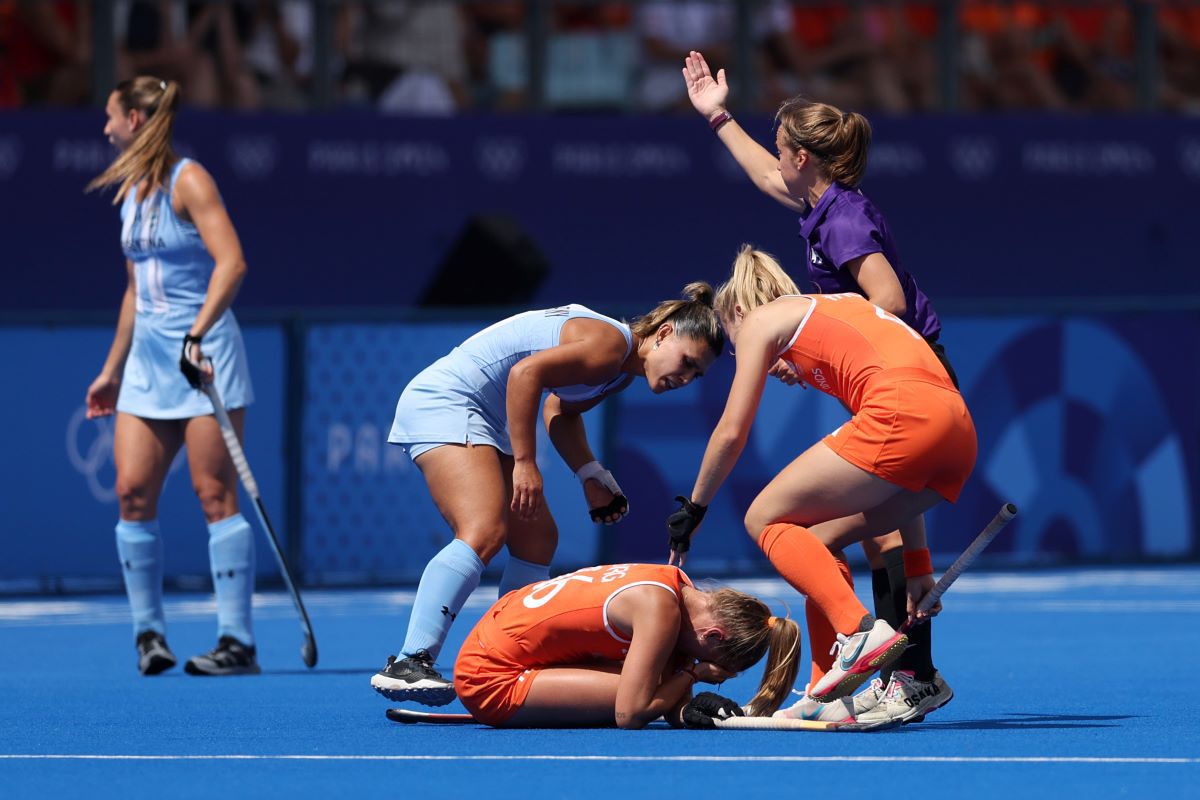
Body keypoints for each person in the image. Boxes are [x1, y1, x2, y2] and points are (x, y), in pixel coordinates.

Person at [683, 52, 958, 725]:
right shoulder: (819, 203)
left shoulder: (841, 219)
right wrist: (716, 116)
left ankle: (905, 670)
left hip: (905, 376)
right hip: (896, 380)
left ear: (804, 158)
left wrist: (820, 344)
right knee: (879, 533)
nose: (774, 161)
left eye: (781, 150)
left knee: (863, 531)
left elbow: (886, 298)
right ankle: (911, 673)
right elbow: (758, 173)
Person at [372, 287, 726, 705]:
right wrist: (525, 462)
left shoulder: (616, 371)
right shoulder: (610, 346)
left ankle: (510, 651)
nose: (685, 379)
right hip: (447, 401)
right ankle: (410, 662)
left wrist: (590, 474)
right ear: (664, 333)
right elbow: (526, 375)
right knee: (484, 530)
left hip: (479, 414)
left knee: (537, 540)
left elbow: (559, 411)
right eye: (686, 363)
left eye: (696, 375)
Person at [665, 247, 977, 721]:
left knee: (763, 517)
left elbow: (732, 430)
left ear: (741, 313)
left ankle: (859, 632)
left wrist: (695, 507)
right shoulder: (842, 312)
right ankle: (822, 693)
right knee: (817, 543)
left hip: (907, 414)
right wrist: (917, 566)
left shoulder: (760, 320)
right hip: (957, 431)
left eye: (735, 343)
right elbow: (900, 480)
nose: (758, 361)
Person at [85, 76, 259, 677]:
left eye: (111, 117)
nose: (104, 129)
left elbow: (231, 263)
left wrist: (198, 333)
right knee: (132, 492)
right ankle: (148, 637)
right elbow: (135, 289)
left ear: (134, 118)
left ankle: (236, 642)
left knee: (214, 494)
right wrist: (111, 371)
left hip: (203, 355)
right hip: (148, 364)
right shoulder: (130, 189)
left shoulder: (190, 179)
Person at [455, 562, 801, 728]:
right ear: (713, 636)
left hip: (498, 629)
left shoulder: (678, 586)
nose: (714, 672)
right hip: (489, 674)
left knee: (651, 677)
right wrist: (692, 676)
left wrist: (681, 698)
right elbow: (630, 714)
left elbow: (665, 691)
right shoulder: (660, 613)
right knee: (637, 692)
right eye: (716, 665)